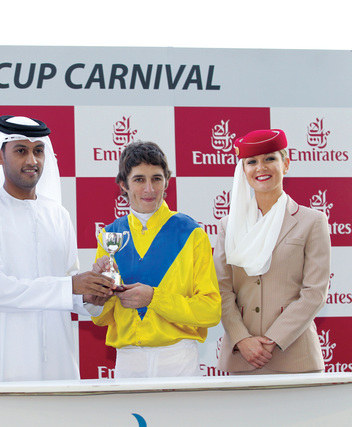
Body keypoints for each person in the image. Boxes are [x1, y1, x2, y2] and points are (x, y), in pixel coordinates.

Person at [0, 115, 114, 382]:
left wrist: (90, 295)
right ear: (0, 156)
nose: (32, 161)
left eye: (38, 151)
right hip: (4, 360)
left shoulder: (57, 214)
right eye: (21, 151)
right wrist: (71, 286)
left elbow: (69, 283)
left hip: (58, 359)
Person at [92, 141, 221, 378]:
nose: (149, 189)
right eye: (139, 179)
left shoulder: (191, 234)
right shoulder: (110, 235)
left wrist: (154, 299)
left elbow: (210, 311)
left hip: (178, 358)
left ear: (167, 182)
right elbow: (100, 318)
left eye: (156, 179)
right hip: (128, 360)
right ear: (124, 185)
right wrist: (98, 292)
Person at [214, 129, 330, 374]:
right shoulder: (228, 226)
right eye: (251, 162)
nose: (261, 168)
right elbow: (221, 290)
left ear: (285, 164)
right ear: (243, 170)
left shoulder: (312, 221)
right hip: (242, 358)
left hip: (295, 357)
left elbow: (315, 292)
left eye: (270, 159)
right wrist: (242, 339)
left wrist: (273, 339)